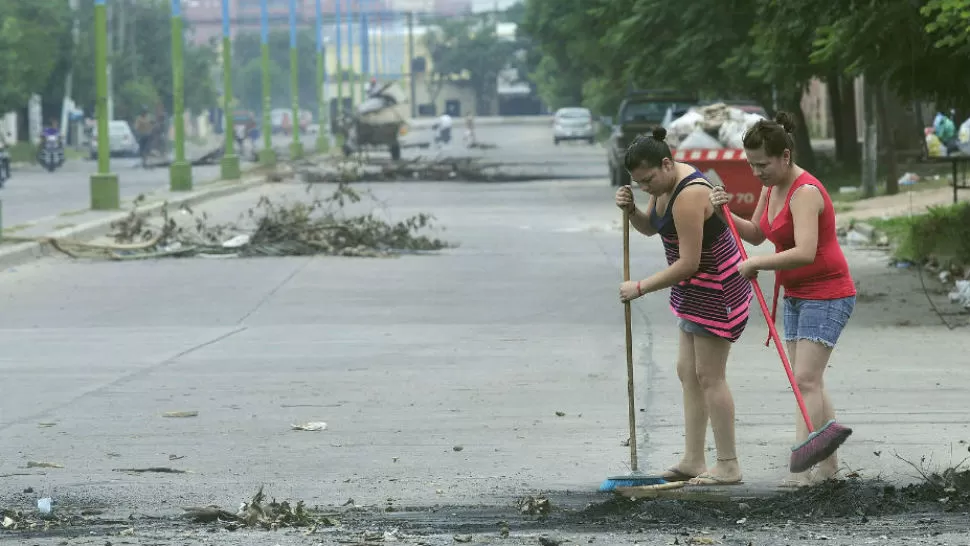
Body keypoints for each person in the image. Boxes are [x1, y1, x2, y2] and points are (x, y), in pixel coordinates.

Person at [709, 111, 856, 487]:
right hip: (795, 294)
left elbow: (805, 251)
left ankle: (803, 469)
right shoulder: (769, 187)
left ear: (785, 157)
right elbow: (757, 233)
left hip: (828, 291)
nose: (757, 172)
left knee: (805, 379)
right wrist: (725, 213)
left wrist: (758, 264)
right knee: (810, 382)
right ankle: (830, 469)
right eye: (752, 165)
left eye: (763, 164)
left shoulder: (805, 192)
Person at [615, 127, 752, 486]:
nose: (646, 188)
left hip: (717, 286)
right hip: (693, 290)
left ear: (665, 163)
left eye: (648, 181)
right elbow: (651, 227)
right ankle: (693, 459)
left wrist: (640, 287)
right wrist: (632, 211)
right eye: (638, 184)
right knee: (686, 372)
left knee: (710, 375)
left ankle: (728, 464)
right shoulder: (662, 185)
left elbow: (689, 262)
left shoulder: (689, 194)